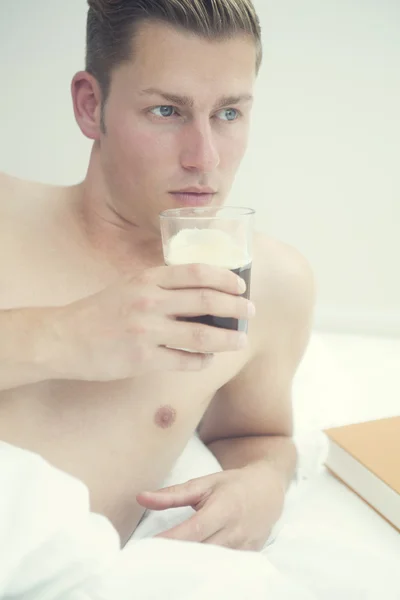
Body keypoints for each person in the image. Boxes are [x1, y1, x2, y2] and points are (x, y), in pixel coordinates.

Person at [0, 0, 314, 551]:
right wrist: (64, 335)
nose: (205, 157)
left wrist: (264, 484)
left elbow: (258, 434)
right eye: (167, 111)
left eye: (229, 113)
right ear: (90, 105)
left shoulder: (272, 284)